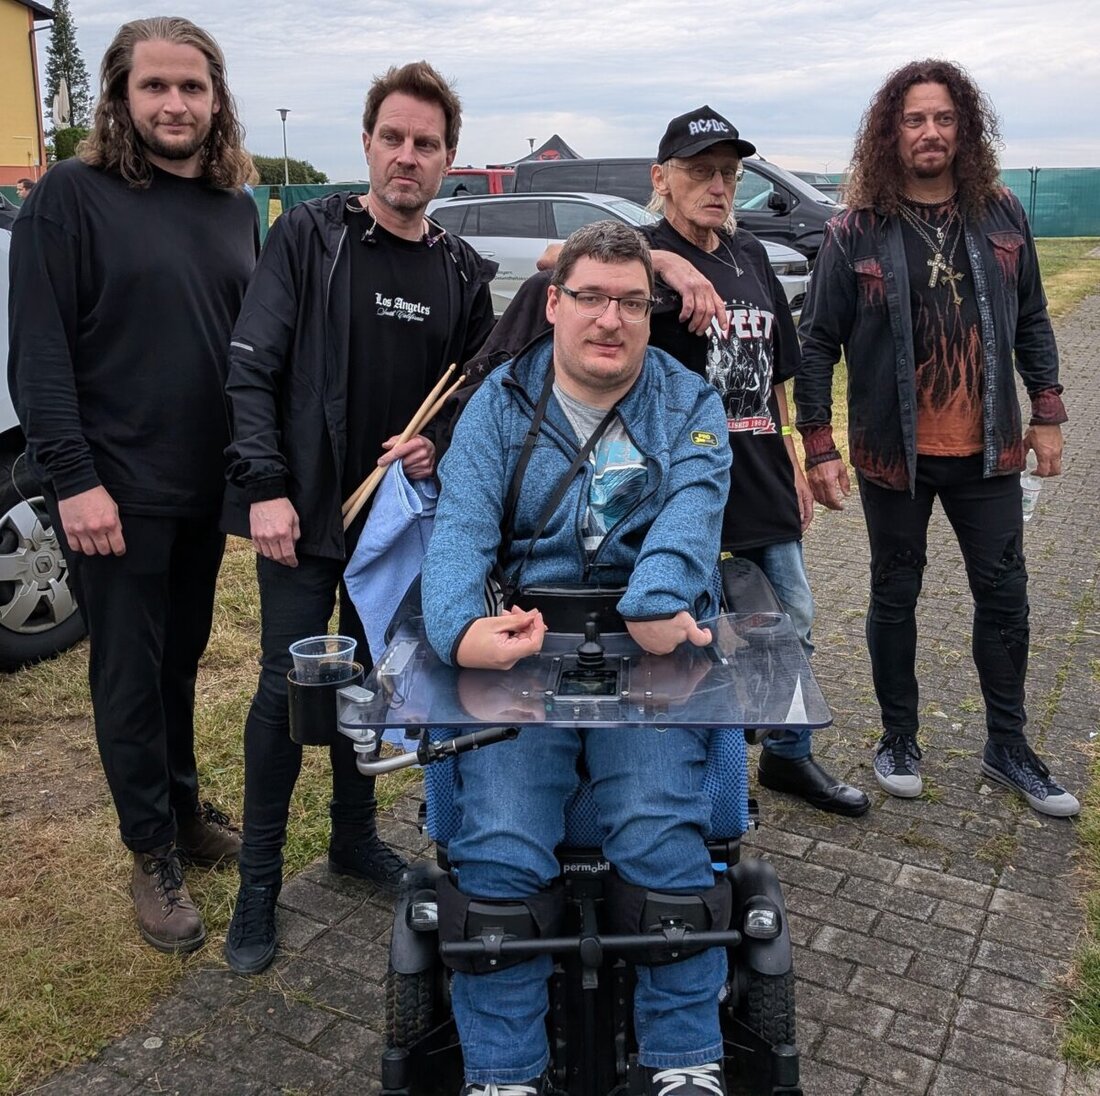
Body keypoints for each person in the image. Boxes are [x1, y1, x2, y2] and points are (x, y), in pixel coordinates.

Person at [474, 105, 869, 816]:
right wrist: (661, 260)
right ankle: (682, 767)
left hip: (752, 473)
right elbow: (550, 270)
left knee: (792, 620)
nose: (718, 186)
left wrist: (790, 455)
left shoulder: (750, 257)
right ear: (662, 179)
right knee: (681, 633)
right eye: (700, 172)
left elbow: (774, 370)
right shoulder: (640, 251)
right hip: (668, 482)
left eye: (729, 173)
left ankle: (787, 758)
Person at [422, 220, 734, 1096]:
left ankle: (683, 1062)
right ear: (554, 304)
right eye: (591, 297)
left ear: (649, 312)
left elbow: (695, 512)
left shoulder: (689, 402)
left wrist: (657, 597)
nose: (611, 319)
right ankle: (505, 1072)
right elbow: (459, 531)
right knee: (501, 848)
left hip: (652, 654)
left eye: (631, 302)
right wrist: (456, 629)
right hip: (525, 652)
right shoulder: (498, 404)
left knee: (660, 834)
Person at [221, 60, 496, 975]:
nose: (407, 156)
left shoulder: (460, 269)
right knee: (284, 695)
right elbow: (252, 366)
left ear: (449, 159)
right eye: (394, 138)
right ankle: (258, 885)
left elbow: (473, 395)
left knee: (374, 686)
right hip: (302, 514)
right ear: (369, 144)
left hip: (394, 525)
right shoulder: (309, 236)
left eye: (426, 143)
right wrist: (264, 486)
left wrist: (438, 445)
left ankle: (351, 837)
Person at [7, 17, 258, 952]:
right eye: (154, 87)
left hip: (201, 492)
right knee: (126, 674)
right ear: (120, 95)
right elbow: (36, 354)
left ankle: (184, 814)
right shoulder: (71, 197)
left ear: (216, 97)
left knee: (179, 662)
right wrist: (74, 481)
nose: (175, 104)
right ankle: (149, 851)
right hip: (113, 492)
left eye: (192, 87)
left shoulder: (236, 205)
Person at [796, 59, 1078, 817]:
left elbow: (1031, 322)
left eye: (944, 119)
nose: (930, 132)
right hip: (897, 457)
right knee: (895, 596)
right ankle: (898, 737)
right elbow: (817, 342)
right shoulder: (855, 227)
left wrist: (1047, 413)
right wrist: (818, 446)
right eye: (915, 119)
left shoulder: (1002, 214)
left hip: (990, 452)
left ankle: (1009, 746)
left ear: (965, 129)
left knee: (1007, 598)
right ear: (892, 132)